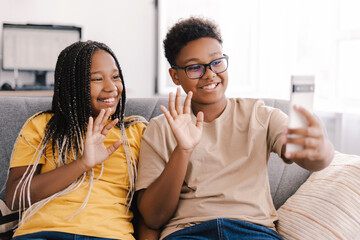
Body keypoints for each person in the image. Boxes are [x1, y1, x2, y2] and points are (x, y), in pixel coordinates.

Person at [135, 17, 334, 240]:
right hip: (188, 233)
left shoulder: (259, 114)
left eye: (217, 62)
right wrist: (183, 150)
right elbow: (152, 217)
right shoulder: (159, 128)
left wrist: (321, 150)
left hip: (252, 231)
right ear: (175, 76)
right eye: (194, 68)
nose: (210, 74)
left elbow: (310, 158)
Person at [5, 40, 158, 240]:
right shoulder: (43, 126)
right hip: (42, 233)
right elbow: (15, 197)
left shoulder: (136, 131)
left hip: (110, 235)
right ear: (72, 84)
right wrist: (82, 164)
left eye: (115, 76)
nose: (111, 87)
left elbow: (149, 212)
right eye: (97, 79)